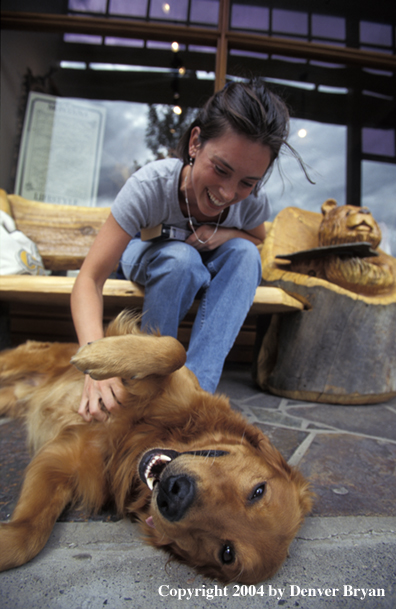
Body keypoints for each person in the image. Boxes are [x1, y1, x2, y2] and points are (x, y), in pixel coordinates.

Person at [71, 79, 302, 422]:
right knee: (181, 260)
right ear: (195, 143)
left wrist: (219, 234)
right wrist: (95, 366)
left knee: (244, 256)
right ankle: (148, 381)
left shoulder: (251, 202)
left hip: (200, 260)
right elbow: (89, 279)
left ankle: (195, 392)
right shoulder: (150, 186)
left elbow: (256, 238)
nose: (227, 192)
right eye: (221, 169)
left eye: (247, 182)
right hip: (147, 254)